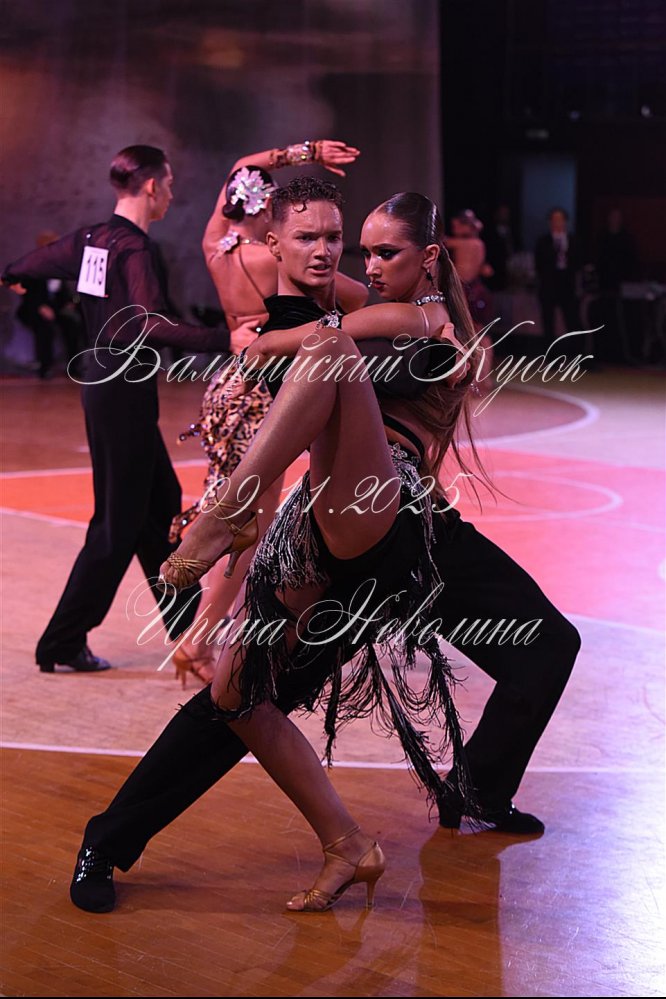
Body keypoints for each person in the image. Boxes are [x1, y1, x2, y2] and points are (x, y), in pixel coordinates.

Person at [70, 182, 579, 914]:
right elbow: (285, 288)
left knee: (547, 643)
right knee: (236, 698)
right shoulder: (350, 312)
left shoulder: (430, 326)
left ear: (427, 257)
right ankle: (106, 842)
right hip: (340, 528)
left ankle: (476, 791)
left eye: (383, 251)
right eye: (355, 249)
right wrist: (275, 197)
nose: (361, 263)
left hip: (416, 529)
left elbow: (386, 350)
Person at [1, 145, 230, 673]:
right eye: (168, 184)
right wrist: (228, 339)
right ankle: (62, 642)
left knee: (159, 510)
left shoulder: (91, 239)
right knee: (117, 523)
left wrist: (15, 274)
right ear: (151, 187)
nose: (171, 194)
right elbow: (150, 323)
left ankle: (188, 631)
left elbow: (30, 264)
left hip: (106, 385)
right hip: (122, 390)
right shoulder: (134, 248)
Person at [169, 140, 367, 687]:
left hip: (226, 388)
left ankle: (208, 634)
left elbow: (241, 168)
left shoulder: (216, 246)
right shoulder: (271, 258)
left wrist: (302, 153)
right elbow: (358, 299)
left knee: (238, 517)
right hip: (261, 390)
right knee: (248, 526)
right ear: (267, 217)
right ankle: (199, 639)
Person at [11, 230, 85, 379]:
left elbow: (60, 292)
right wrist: (40, 307)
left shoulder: (60, 265)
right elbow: (27, 293)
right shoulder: (32, 265)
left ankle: (73, 366)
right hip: (33, 309)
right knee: (44, 328)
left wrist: (68, 303)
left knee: (72, 325)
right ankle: (45, 367)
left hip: (55, 308)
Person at [535, 207, 580, 345]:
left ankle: (576, 351)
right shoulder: (543, 242)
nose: (557, 223)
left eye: (560, 220)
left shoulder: (573, 241)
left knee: (572, 320)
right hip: (549, 285)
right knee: (548, 322)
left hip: (568, 284)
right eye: (554, 220)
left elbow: (578, 262)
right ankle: (550, 352)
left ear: (565, 222)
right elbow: (539, 264)